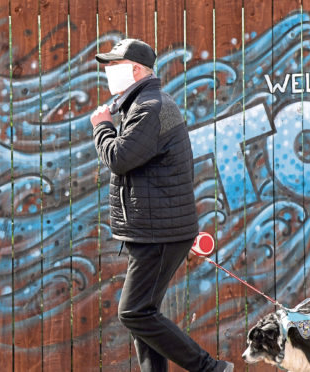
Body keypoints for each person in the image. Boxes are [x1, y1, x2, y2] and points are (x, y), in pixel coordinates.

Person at [90, 38, 234, 372]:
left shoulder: (151, 107)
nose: (108, 72)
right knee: (145, 315)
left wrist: (102, 128)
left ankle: (210, 369)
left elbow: (119, 158)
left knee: (133, 312)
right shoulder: (144, 103)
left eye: (114, 66)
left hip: (160, 233)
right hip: (152, 231)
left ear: (136, 69)